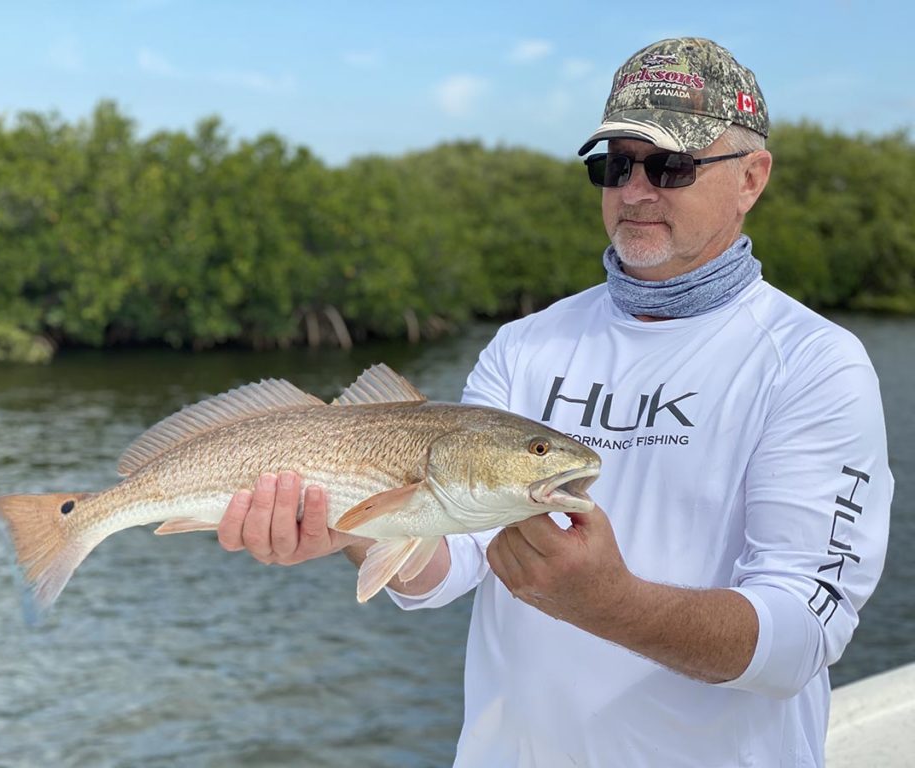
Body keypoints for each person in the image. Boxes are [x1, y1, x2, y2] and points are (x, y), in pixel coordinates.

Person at [217, 37, 893, 767]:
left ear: (751, 178)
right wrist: (349, 525)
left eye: (670, 165)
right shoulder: (524, 345)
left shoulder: (814, 364)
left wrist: (612, 602)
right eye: (615, 164)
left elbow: (803, 634)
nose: (635, 191)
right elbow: (450, 560)